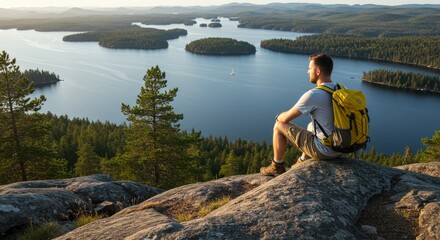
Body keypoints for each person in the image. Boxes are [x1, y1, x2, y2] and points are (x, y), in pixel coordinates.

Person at [260, 53, 343, 176]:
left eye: (310, 69)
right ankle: (302, 161)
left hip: (325, 151)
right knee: (311, 126)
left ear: (318, 71)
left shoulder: (314, 94)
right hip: (340, 147)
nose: (308, 72)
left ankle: (276, 166)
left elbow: (286, 118)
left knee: (278, 125)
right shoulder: (341, 89)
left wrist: (278, 116)